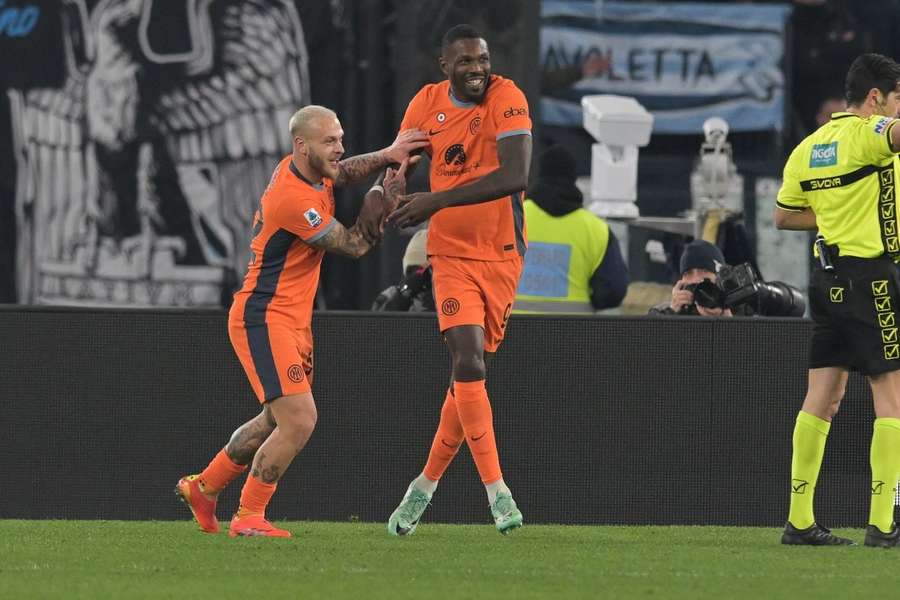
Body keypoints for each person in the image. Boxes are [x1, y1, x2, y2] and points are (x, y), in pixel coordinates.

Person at [175, 105, 426, 538]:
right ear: (301, 144)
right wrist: (381, 198)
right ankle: (249, 516)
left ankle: (205, 486)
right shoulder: (293, 200)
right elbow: (351, 246)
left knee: (275, 419)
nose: (339, 148)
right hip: (264, 316)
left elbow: (341, 171)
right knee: (300, 420)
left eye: (340, 138)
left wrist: (388, 154)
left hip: (290, 318)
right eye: (329, 141)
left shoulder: (305, 168)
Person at [381, 24, 532, 535]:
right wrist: (392, 186)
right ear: (444, 66)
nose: (477, 69)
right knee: (466, 360)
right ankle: (498, 493)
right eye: (465, 61)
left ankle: (422, 487)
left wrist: (436, 200)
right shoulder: (425, 103)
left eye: (482, 59)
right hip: (450, 253)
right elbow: (400, 160)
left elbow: (515, 176)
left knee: (466, 381)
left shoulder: (507, 97)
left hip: (502, 251)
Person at [775, 53, 900, 547]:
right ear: (875, 99)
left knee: (822, 400)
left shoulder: (808, 147)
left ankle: (799, 519)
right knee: (891, 396)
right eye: (897, 99)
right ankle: (883, 522)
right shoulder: (867, 134)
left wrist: (831, 218)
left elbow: (784, 218)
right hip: (871, 279)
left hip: (826, 280)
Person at [514, 144, 628, 313]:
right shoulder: (596, 229)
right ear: (573, 178)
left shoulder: (514, 219)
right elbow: (613, 291)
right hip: (573, 333)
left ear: (537, 175)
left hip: (512, 330)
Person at [648, 239, 734, 317]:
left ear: (719, 277)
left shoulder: (738, 309)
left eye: (704, 271)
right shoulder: (661, 313)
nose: (695, 279)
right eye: (688, 273)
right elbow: (651, 333)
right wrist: (672, 312)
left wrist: (727, 320)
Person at [371, 229, 435, 312]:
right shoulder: (391, 294)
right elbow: (377, 322)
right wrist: (404, 294)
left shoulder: (450, 292)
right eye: (412, 269)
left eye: (422, 270)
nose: (418, 274)